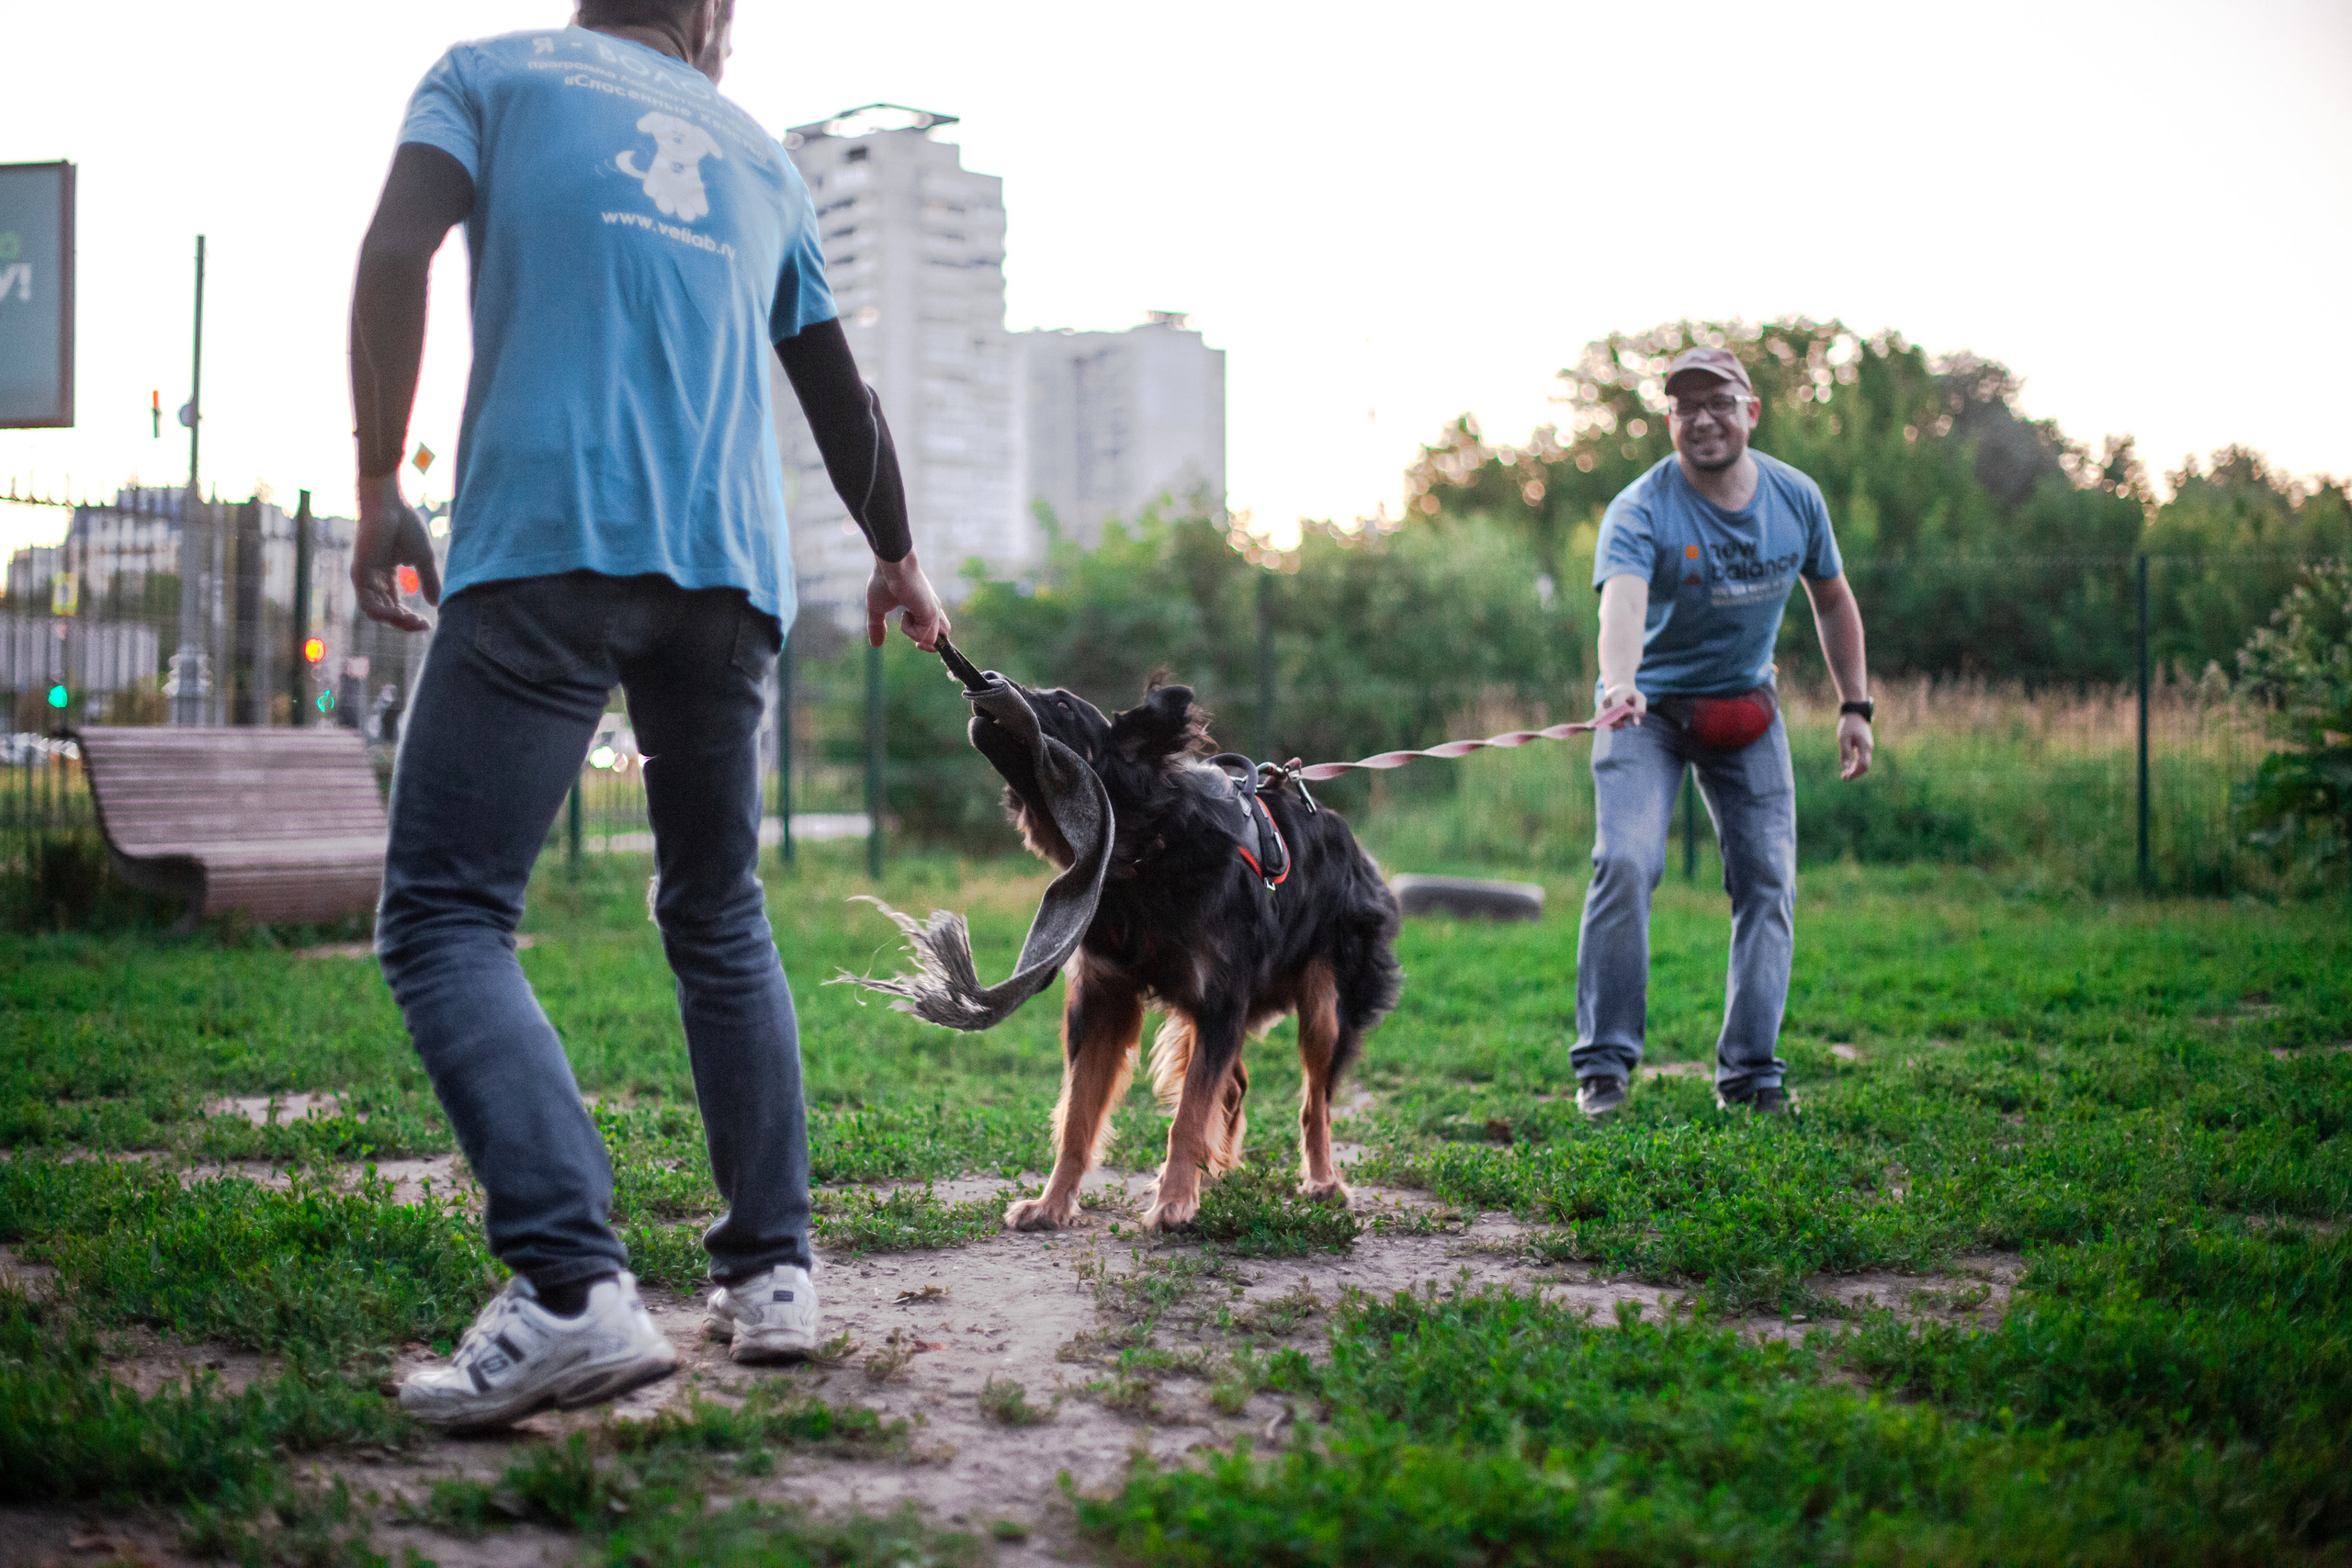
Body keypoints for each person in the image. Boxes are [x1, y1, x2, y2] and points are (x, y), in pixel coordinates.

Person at [346, 0, 949, 1430]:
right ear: (710, 15)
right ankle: (774, 1268)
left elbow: (394, 249)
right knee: (720, 909)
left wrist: (378, 480)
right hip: (727, 577)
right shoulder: (756, 153)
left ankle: (571, 1284)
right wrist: (897, 555)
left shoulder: (488, 75)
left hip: (548, 543)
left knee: (444, 914)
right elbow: (839, 389)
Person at [1572, 345, 1871, 1120]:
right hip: (1646, 712)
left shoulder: (1796, 498)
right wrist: (1621, 680)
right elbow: (1622, 602)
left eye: (1719, 402)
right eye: (1685, 406)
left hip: (1746, 711)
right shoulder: (1640, 507)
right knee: (1625, 862)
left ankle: (1750, 1072)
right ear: (1669, 420)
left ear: (1752, 412)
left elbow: (1832, 598)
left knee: (1769, 879)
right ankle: (1603, 1067)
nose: (1702, 419)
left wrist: (1855, 705)